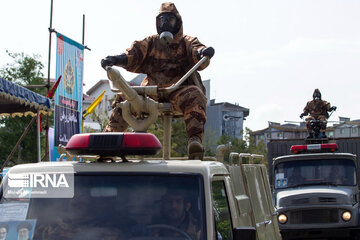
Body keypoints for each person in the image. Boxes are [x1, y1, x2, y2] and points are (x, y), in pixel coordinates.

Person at [101, 2, 215, 159]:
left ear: (178, 23)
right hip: (151, 93)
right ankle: (108, 142)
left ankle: (194, 142)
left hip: (178, 91)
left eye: (170, 20)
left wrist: (203, 52)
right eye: (162, 20)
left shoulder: (187, 42)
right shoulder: (151, 43)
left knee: (195, 95)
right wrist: (115, 60)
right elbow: (133, 56)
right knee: (123, 96)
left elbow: (197, 54)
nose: (165, 24)